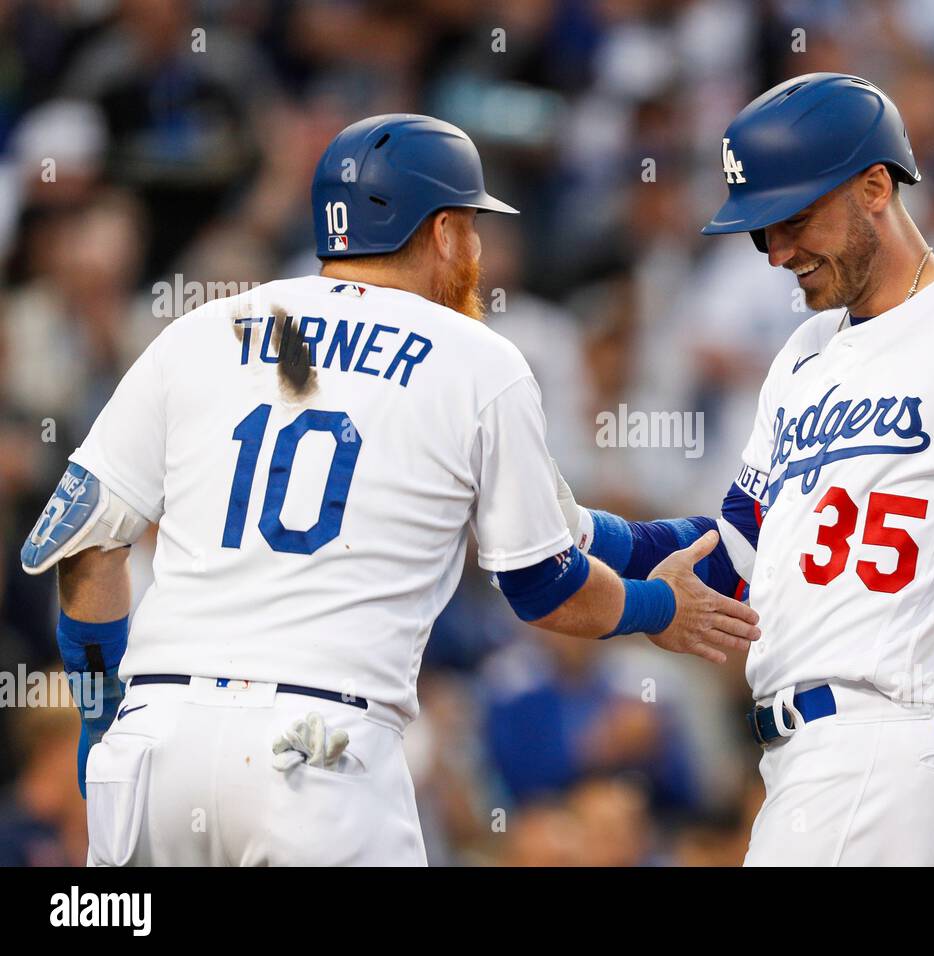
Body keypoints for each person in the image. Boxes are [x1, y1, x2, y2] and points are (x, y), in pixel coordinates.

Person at [18, 114, 759, 866]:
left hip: (157, 738)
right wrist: (657, 607)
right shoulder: (477, 359)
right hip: (315, 752)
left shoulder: (206, 327)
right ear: (441, 232)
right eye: (470, 227)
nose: (476, 250)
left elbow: (85, 544)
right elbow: (543, 585)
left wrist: (100, 712)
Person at [556, 74, 934, 865]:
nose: (776, 252)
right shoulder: (804, 355)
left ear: (875, 186)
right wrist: (585, 532)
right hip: (839, 759)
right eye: (761, 231)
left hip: (881, 746)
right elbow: (741, 554)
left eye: (794, 220)